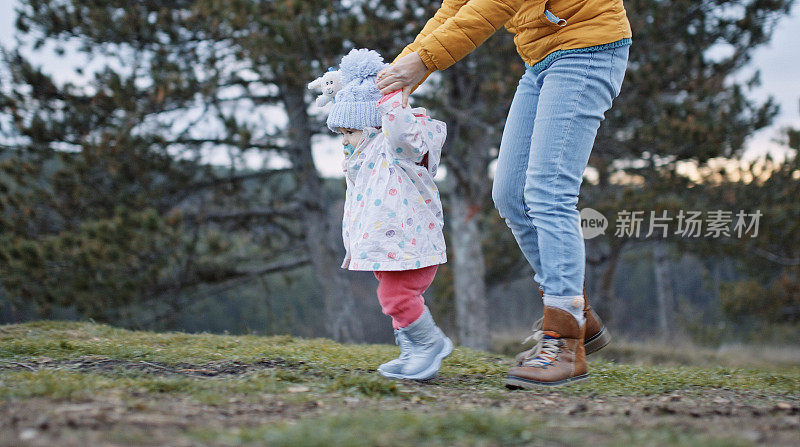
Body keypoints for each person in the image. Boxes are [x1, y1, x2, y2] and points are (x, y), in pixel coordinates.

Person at [376, 0, 632, 388]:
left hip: (588, 48)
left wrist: (425, 61)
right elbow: (454, 11)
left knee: (549, 192)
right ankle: (578, 315)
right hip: (542, 56)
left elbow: (495, 4)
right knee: (511, 194)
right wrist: (400, 73)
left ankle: (563, 340)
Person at [318, 48, 453, 380]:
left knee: (395, 297)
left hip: (410, 242)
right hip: (389, 245)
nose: (344, 141)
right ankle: (414, 351)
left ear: (374, 125)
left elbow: (401, 129)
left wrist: (390, 96)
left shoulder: (396, 147)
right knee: (396, 299)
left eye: (349, 131)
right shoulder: (364, 157)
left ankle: (429, 345)